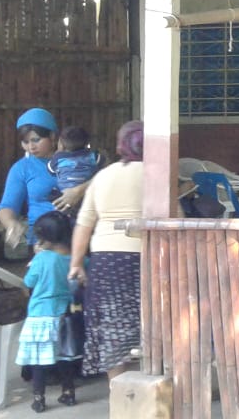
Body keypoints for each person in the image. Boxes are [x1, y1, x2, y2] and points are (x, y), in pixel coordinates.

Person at [69, 120, 144, 381]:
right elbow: (175, 219)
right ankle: (153, 388)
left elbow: (84, 224)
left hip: (106, 260)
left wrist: (76, 263)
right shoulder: (158, 175)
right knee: (152, 323)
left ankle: (118, 390)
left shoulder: (102, 176)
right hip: (146, 258)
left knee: (113, 326)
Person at [0, 108, 90, 248]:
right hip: (42, 241)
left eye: (36, 140)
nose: (31, 147)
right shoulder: (22, 168)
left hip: (80, 235)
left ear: (52, 136)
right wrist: (11, 223)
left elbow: (104, 177)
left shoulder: (79, 158)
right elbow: (8, 205)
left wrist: (79, 191)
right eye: (25, 142)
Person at [17, 211, 78, 412]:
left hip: (39, 316)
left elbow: (28, 282)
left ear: (46, 239)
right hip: (65, 314)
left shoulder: (42, 259)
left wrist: (35, 258)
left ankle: (39, 398)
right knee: (64, 357)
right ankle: (68, 393)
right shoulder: (75, 259)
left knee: (38, 361)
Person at [47, 126, 102, 214]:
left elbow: (51, 171)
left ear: (61, 144)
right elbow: (102, 165)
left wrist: (56, 155)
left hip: (64, 194)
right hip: (86, 194)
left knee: (52, 193)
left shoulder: (58, 159)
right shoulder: (93, 156)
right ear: (86, 144)